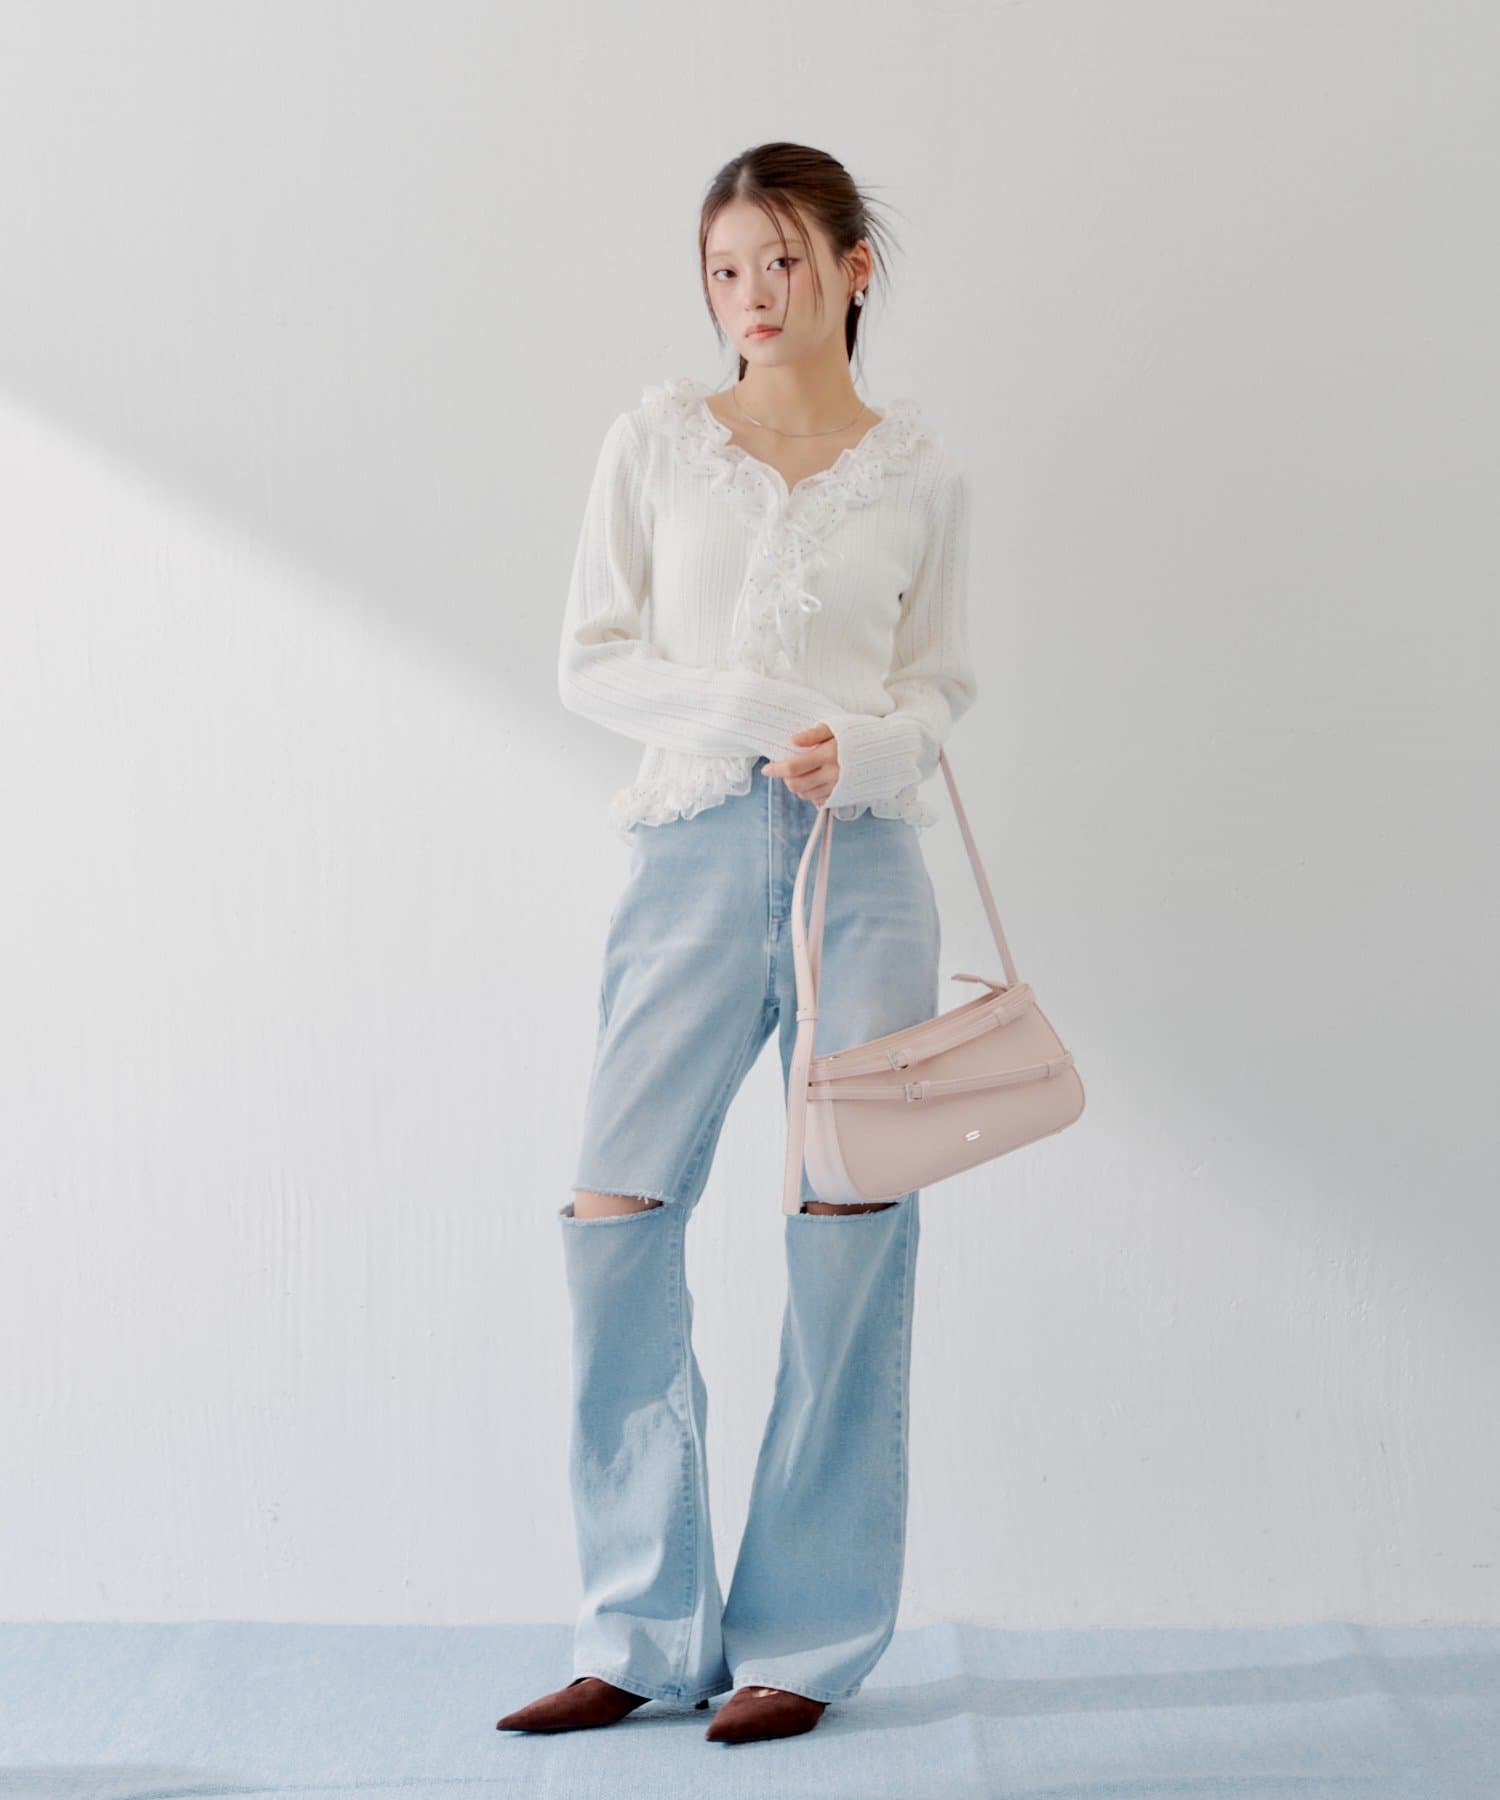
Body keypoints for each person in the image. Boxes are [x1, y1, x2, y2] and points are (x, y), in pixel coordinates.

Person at [497, 140, 978, 1749]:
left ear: (852, 268)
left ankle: (809, 1639)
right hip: (692, 852)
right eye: (723, 269)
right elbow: (590, 656)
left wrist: (867, 746)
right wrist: (752, 712)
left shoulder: (921, 473)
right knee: (615, 1207)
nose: (750, 296)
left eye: (780, 261)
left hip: (869, 871)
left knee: (850, 1229)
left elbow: (940, 689)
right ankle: (639, 1629)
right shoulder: (656, 443)